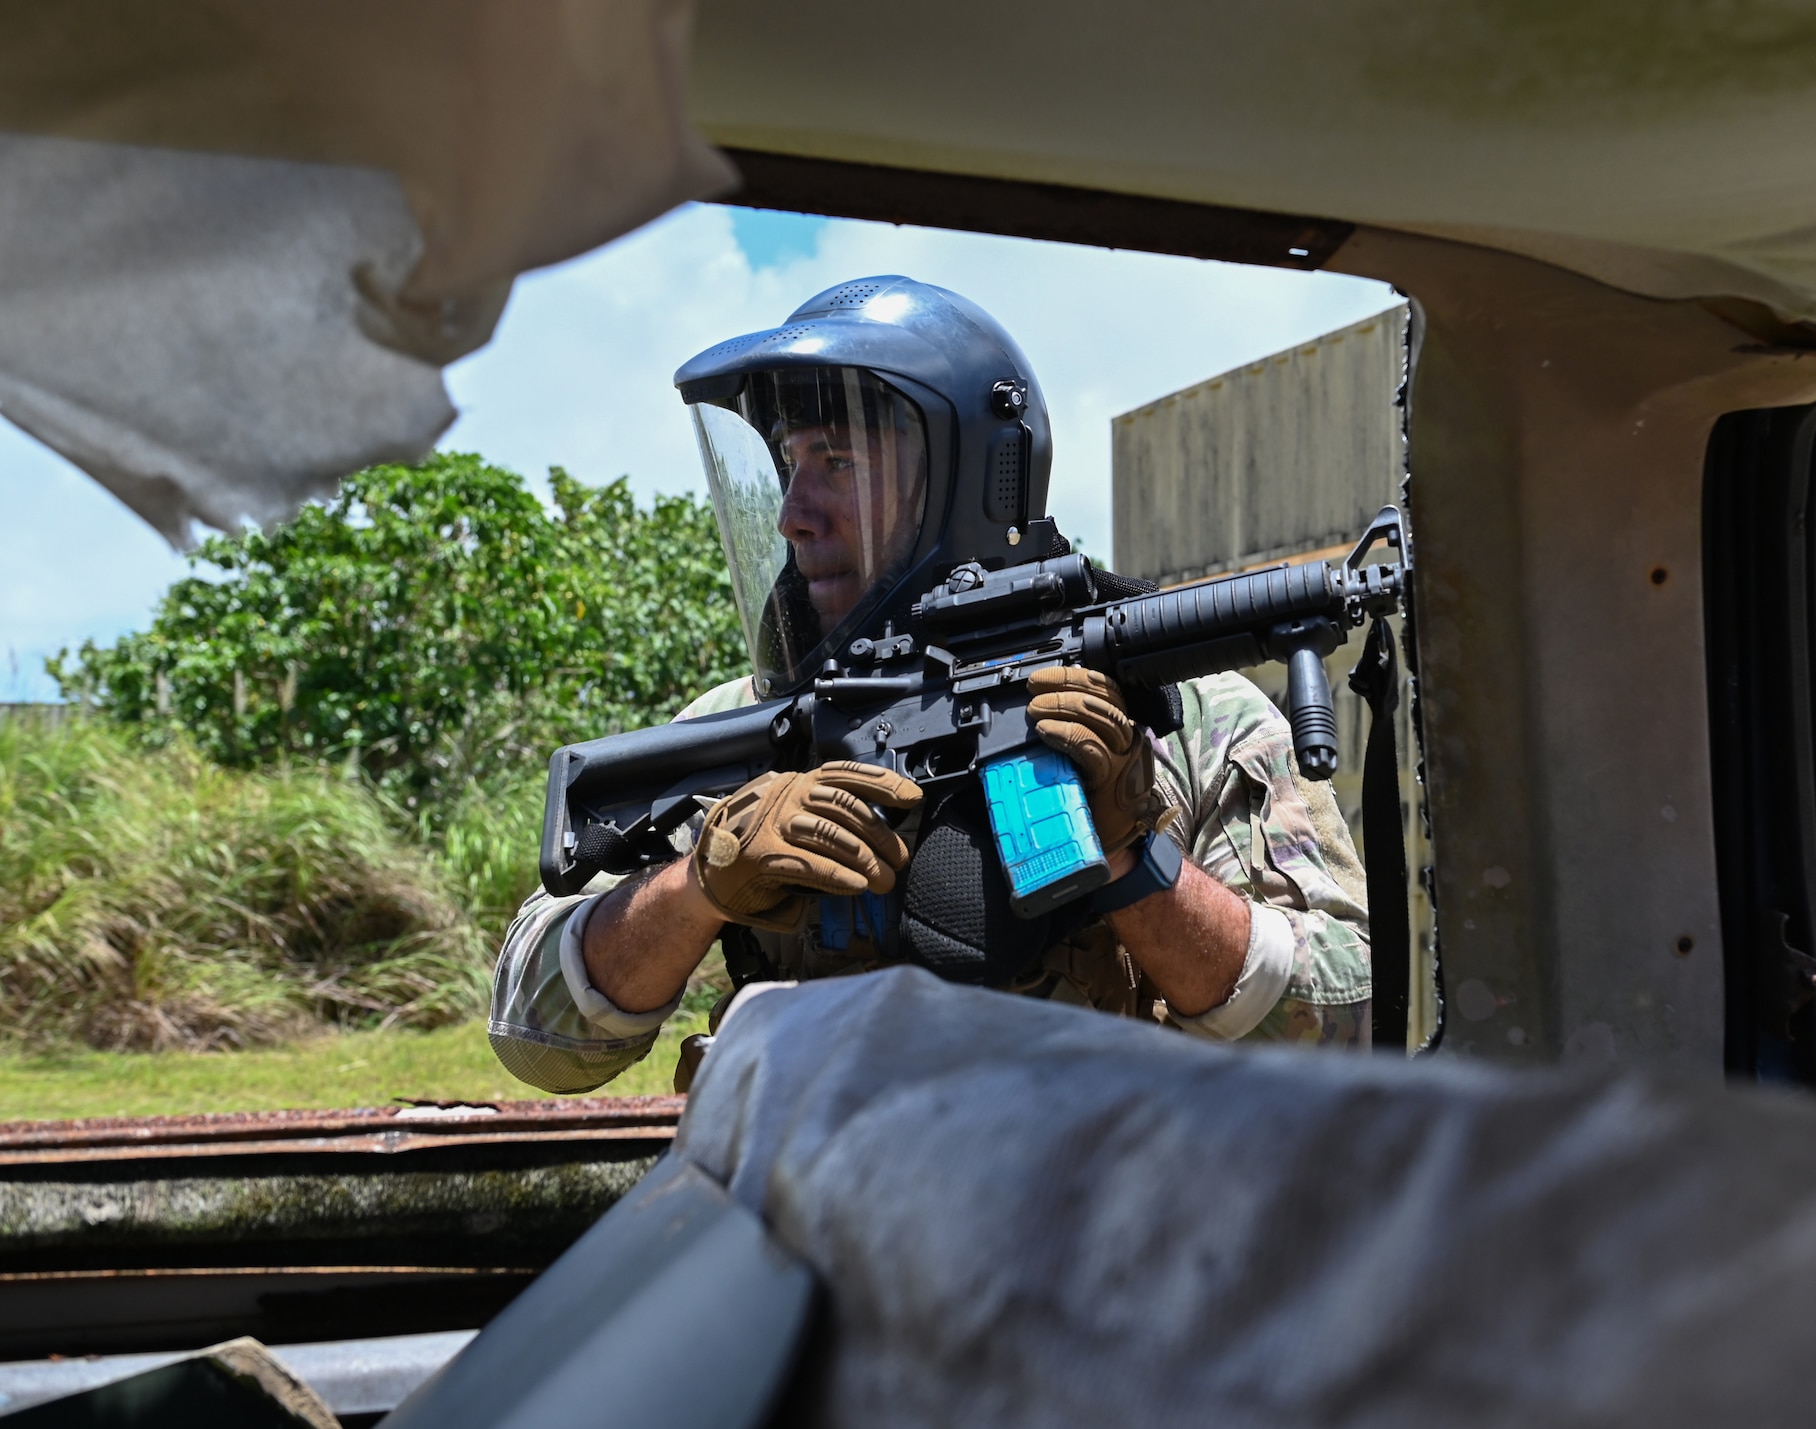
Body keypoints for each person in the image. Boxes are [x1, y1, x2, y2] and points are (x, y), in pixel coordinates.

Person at [488, 276, 1374, 1095]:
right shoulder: (744, 730)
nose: (795, 514)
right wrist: (701, 888)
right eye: (790, 466)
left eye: (837, 463)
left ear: (963, 487)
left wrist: (1130, 860)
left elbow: (1346, 1029)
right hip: (809, 1223)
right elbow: (537, 1037)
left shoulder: (1182, 719)